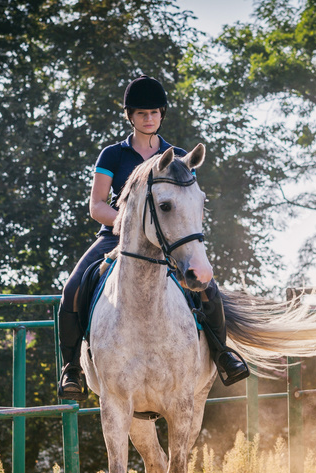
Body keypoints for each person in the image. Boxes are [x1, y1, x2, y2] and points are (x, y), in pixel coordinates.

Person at [56, 75, 249, 400]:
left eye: (154, 113)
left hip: (168, 240)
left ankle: (222, 354)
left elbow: (186, 203)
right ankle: (72, 368)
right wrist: (130, 224)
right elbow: (97, 206)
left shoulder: (178, 157)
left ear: (161, 114)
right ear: (130, 116)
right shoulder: (113, 156)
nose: (149, 119)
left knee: (207, 288)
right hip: (116, 238)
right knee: (72, 289)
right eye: (142, 113)